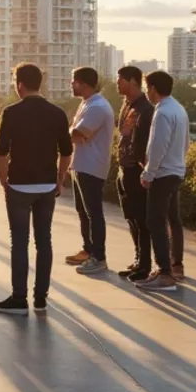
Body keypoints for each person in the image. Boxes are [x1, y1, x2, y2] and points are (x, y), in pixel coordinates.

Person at [0, 63, 72, 315]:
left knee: (19, 242)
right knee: (44, 240)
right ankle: (40, 297)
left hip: (19, 185)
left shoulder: (11, 112)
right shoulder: (57, 113)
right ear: (41, 83)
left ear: (20, 85)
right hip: (47, 185)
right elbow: (67, 152)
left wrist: (4, 180)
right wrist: (59, 178)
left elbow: (1, 152)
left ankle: (18, 298)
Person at [136, 71, 190, 293]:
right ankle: (171, 267)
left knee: (155, 221)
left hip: (163, 174)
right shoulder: (178, 109)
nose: (146, 92)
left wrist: (148, 173)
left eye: (147, 87)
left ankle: (165, 273)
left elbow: (157, 147)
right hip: (176, 170)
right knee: (172, 220)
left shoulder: (163, 112)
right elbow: (185, 142)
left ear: (153, 88)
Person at [64, 67, 115, 276]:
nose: (71, 85)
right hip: (81, 164)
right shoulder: (86, 103)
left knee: (93, 213)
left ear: (84, 83)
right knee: (83, 211)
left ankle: (99, 257)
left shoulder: (98, 107)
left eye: (73, 81)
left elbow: (77, 134)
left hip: (92, 166)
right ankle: (88, 249)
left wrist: (65, 132)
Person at [115, 66, 155, 282]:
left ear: (132, 81)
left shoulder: (145, 109)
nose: (117, 83)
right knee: (130, 217)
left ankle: (145, 264)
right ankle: (138, 259)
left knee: (141, 219)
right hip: (124, 169)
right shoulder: (126, 105)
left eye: (120, 79)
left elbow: (145, 143)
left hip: (136, 170)